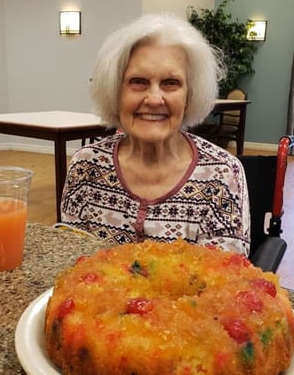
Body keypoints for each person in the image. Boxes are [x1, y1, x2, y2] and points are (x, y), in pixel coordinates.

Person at [60, 13, 250, 255]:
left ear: (189, 95)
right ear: (115, 91)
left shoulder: (223, 174)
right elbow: (74, 265)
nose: (153, 99)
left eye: (171, 82)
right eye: (138, 81)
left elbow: (224, 280)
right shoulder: (86, 167)